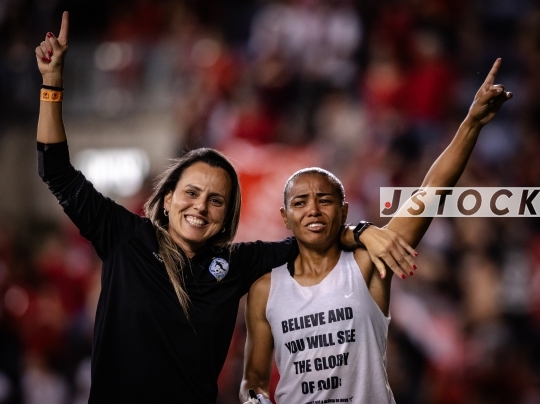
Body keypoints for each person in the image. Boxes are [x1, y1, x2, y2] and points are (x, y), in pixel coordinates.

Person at [34, 12, 418, 403]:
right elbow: (55, 170)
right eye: (191, 192)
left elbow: (312, 240)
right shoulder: (124, 236)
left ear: (226, 217)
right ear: (167, 199)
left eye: (216, 200)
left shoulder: (235, 264)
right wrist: (51, 83)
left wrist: (362, 231)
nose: (200, 206)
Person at [240, 59, 512, 404]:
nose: (313, 209)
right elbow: (253, 380)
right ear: (284, 216)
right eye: (300, 202)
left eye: (324, 200)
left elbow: (431, 190)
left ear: (343, 211)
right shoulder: (264, 290)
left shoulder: (368, 262)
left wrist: (471, 124)